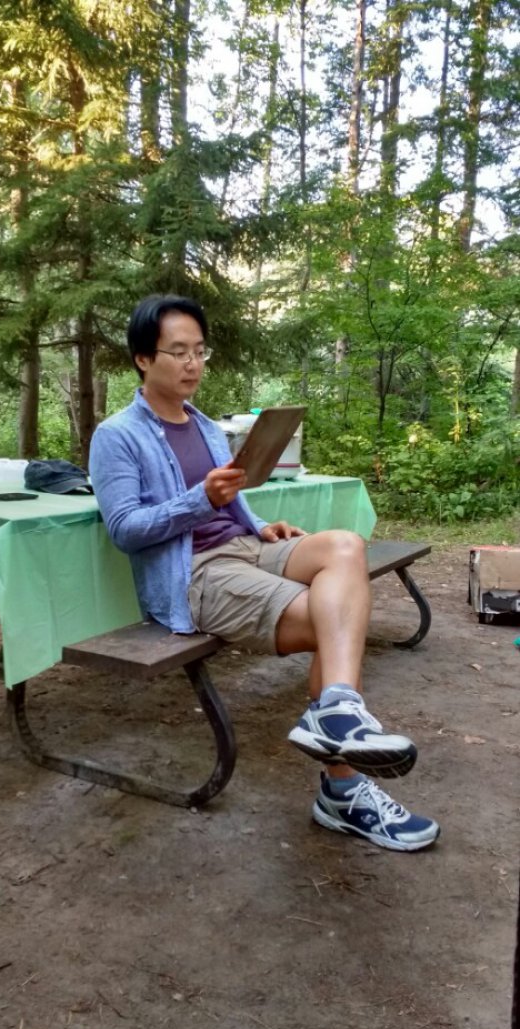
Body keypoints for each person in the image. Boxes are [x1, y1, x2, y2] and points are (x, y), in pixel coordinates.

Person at [89, 294, 440, 852]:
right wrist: (201, 500)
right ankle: (344, 789)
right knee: (335, 621)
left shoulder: (205, 426)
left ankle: (336, 710)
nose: (192, 363)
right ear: (143, 359)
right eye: (178, 352)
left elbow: (230, 498)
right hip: (194, 573)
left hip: (247, 547)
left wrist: (258, 523)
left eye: (200, 351)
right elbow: (125, 529)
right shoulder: (117, 435)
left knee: (345, 546)